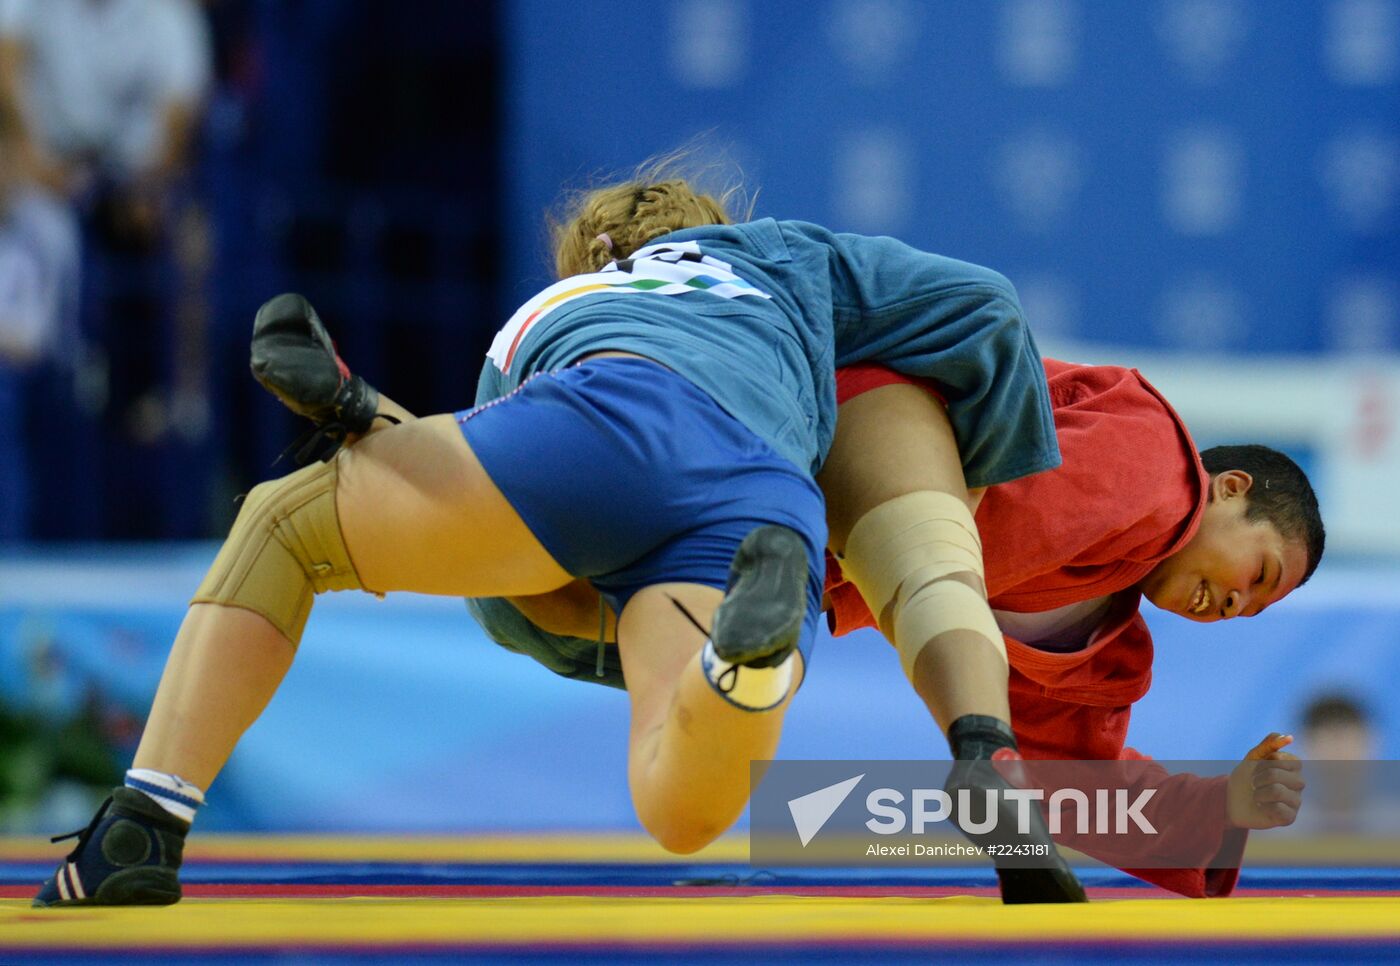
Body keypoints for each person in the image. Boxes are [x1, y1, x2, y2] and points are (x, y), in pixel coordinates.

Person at [36, 160, 1079, 907]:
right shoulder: (783, 262)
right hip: (764, 494)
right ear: (711, 226)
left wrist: (553, 606)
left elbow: (511, 572)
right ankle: (745, 675)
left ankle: (147, 819)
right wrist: (976, 484)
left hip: (601, 418)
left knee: (286, 524)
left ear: (598, 251)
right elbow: (982, 307)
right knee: (682, 801)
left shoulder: (553, 306)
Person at [253, 324, 1323, 895]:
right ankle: (951, 731)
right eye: (1258, 574)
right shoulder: (1153, 458)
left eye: (1251, 614)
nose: (1235, 605)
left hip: (766, 534)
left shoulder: (1102, 651)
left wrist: (1209, 813)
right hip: (805, 428)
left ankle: (375, 426)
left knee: (548, 604)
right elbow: (988, 529)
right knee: (920, 596)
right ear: (1228, 490)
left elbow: (1075, 782)